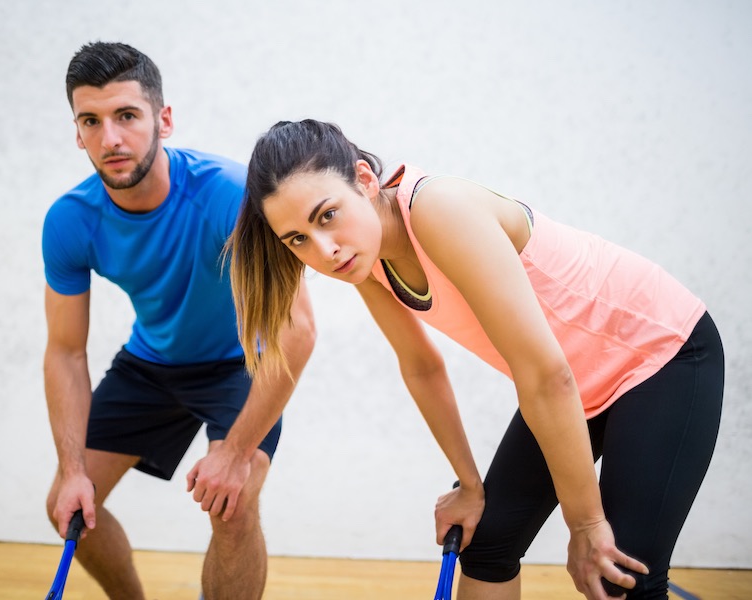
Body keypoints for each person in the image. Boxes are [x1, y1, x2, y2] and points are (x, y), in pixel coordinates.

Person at [229, 119, 723, 600]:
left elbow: (546, 376)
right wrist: (469, 485)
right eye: (298, 239)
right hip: (570, 381)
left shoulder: (438, 209)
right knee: (487, 543)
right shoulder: (367, 261)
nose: (325, 250)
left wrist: (586, 524)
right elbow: (421, 366)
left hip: (660, 354)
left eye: (326, 215)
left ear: (363, 179)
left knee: (620, 575)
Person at [41, 43, 315, 600]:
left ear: (163, 119)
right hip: (151, 367)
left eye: (126, 116)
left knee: (232, 506)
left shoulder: (231, 195)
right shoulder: (70, 220)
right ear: (76, 132)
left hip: (241, 365)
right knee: (67, 507)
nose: (110, 138)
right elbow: (65, 352)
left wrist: (235, 454)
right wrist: (72, 469)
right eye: (90, 121)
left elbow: (298, 331)